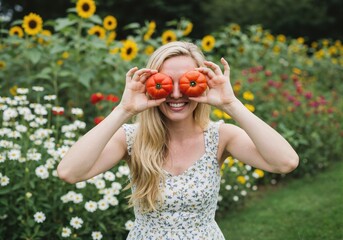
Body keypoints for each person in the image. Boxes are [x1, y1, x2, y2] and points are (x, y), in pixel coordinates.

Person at [57, 41, 299, 239]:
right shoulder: (132, 139)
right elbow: (70, 172)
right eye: (164, 82)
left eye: (186, 81)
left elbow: (285, 162)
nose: (175, 93)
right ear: (151, 85)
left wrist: (231, 104)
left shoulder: (221, 137)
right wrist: (124, 110)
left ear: (201, 82)